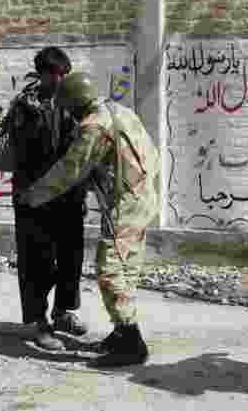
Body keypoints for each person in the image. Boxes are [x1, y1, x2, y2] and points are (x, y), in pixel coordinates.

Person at [17, 72, 161, 368]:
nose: (66, 112)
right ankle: (121, 333)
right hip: (143, 196)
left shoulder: (95, 126)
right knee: (126, 267)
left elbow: (70, 169)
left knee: (110, 269)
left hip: (125, 205)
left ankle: (132, 344)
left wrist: (33, 195)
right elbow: (153, 155)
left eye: (67, 106)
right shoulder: (119, 110)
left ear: (73, 104)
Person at [0, 47, 88, 351]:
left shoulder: (74, 103)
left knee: (71, 257)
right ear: (42, 74)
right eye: (55, 74)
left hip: (68, 195)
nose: (61, 79)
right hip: (33, 197)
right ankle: (38, 322)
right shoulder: (25, 107)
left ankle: (63, 312)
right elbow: (25, 154)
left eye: (64, 73)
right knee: (37, 261)